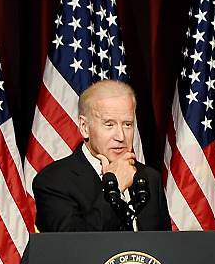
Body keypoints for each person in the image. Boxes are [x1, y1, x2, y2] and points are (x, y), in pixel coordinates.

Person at [33, 80, 172, 232]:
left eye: (127, 124)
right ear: (84, 127)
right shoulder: (53, 181)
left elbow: (162, 249)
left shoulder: (150, 178)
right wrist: (115, 187)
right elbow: (73, 247)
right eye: (109, 124)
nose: (120, 136)